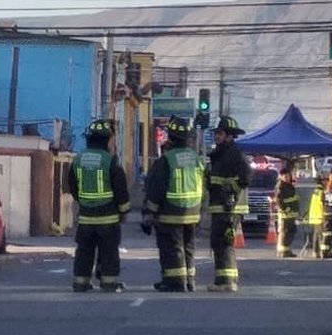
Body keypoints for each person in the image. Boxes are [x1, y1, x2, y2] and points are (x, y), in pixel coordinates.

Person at [69, 119, 131, 293]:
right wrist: (123, 211)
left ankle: (80, 282)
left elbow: (72, 185)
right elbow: (120, 189)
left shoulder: (77, 160)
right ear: (107, 140)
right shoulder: (110, 161)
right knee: (109, 252)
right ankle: (109, 282)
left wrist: (83, 201)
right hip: (108, 219)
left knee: (84, 251)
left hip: (85, 218)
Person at [143, 116, 204, 292]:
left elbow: (156, 189)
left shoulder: (166, 160)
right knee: (188, 247)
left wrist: (149, 213)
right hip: (193, 212)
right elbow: (203, 185)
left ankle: (174, 282)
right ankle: (189, 280)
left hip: (170, 213)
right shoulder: (196, 159)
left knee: (172, 248)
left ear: (170, 137)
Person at [205, 115, 249, 292]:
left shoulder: (235, 153)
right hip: (221, 205)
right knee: (220, 242)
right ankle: (225, 280)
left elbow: (246, 177)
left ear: (230, 135)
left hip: (229, 206)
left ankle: (226, 282)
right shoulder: (221, 153)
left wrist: (230, 191)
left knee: (223, 242)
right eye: (216, 133)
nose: (217, 136)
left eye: (220, 133)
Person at [273, 167, 300, 258]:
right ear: (281, 176)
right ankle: (283, 251)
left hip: (291, 214)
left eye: (288, 176)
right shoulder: (280, 186)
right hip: (285, 214)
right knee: (285, 232)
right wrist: (284, 209)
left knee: (291, 231)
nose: (287, 178)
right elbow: (278, 200)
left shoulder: (289, 185)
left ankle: (287, 250)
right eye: (285, 176)